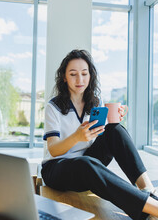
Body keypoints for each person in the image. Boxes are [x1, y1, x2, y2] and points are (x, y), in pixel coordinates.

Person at [41, 49, 158, 220]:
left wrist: (117, 117)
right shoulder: (54, 106)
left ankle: (148, 190)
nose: (79, 80)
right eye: (73, 74)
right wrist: (76, 137)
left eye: (84, 73)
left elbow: (106, 135)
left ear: (90, 76)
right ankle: (151, 209)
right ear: (64, 77)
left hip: (87, 163)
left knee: (115, 128)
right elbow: (53, 150)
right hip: (57, 168)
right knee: (85, 163)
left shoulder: (95, 102)